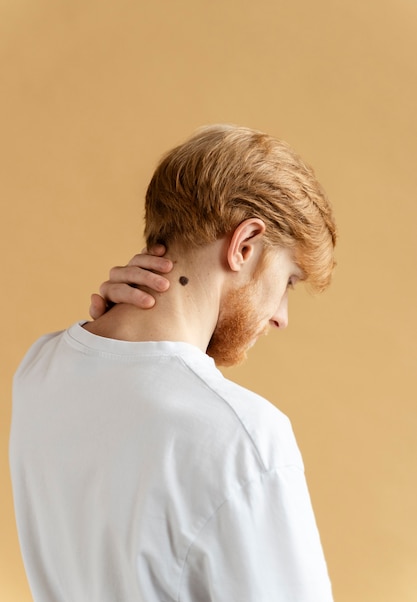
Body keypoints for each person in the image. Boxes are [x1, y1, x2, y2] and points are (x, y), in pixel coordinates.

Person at [10, 124, 337, 601]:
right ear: (244, 245)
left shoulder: (38, 368)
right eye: (288, 280)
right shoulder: (246, 438)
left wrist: (135, 328)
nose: (281, 318)